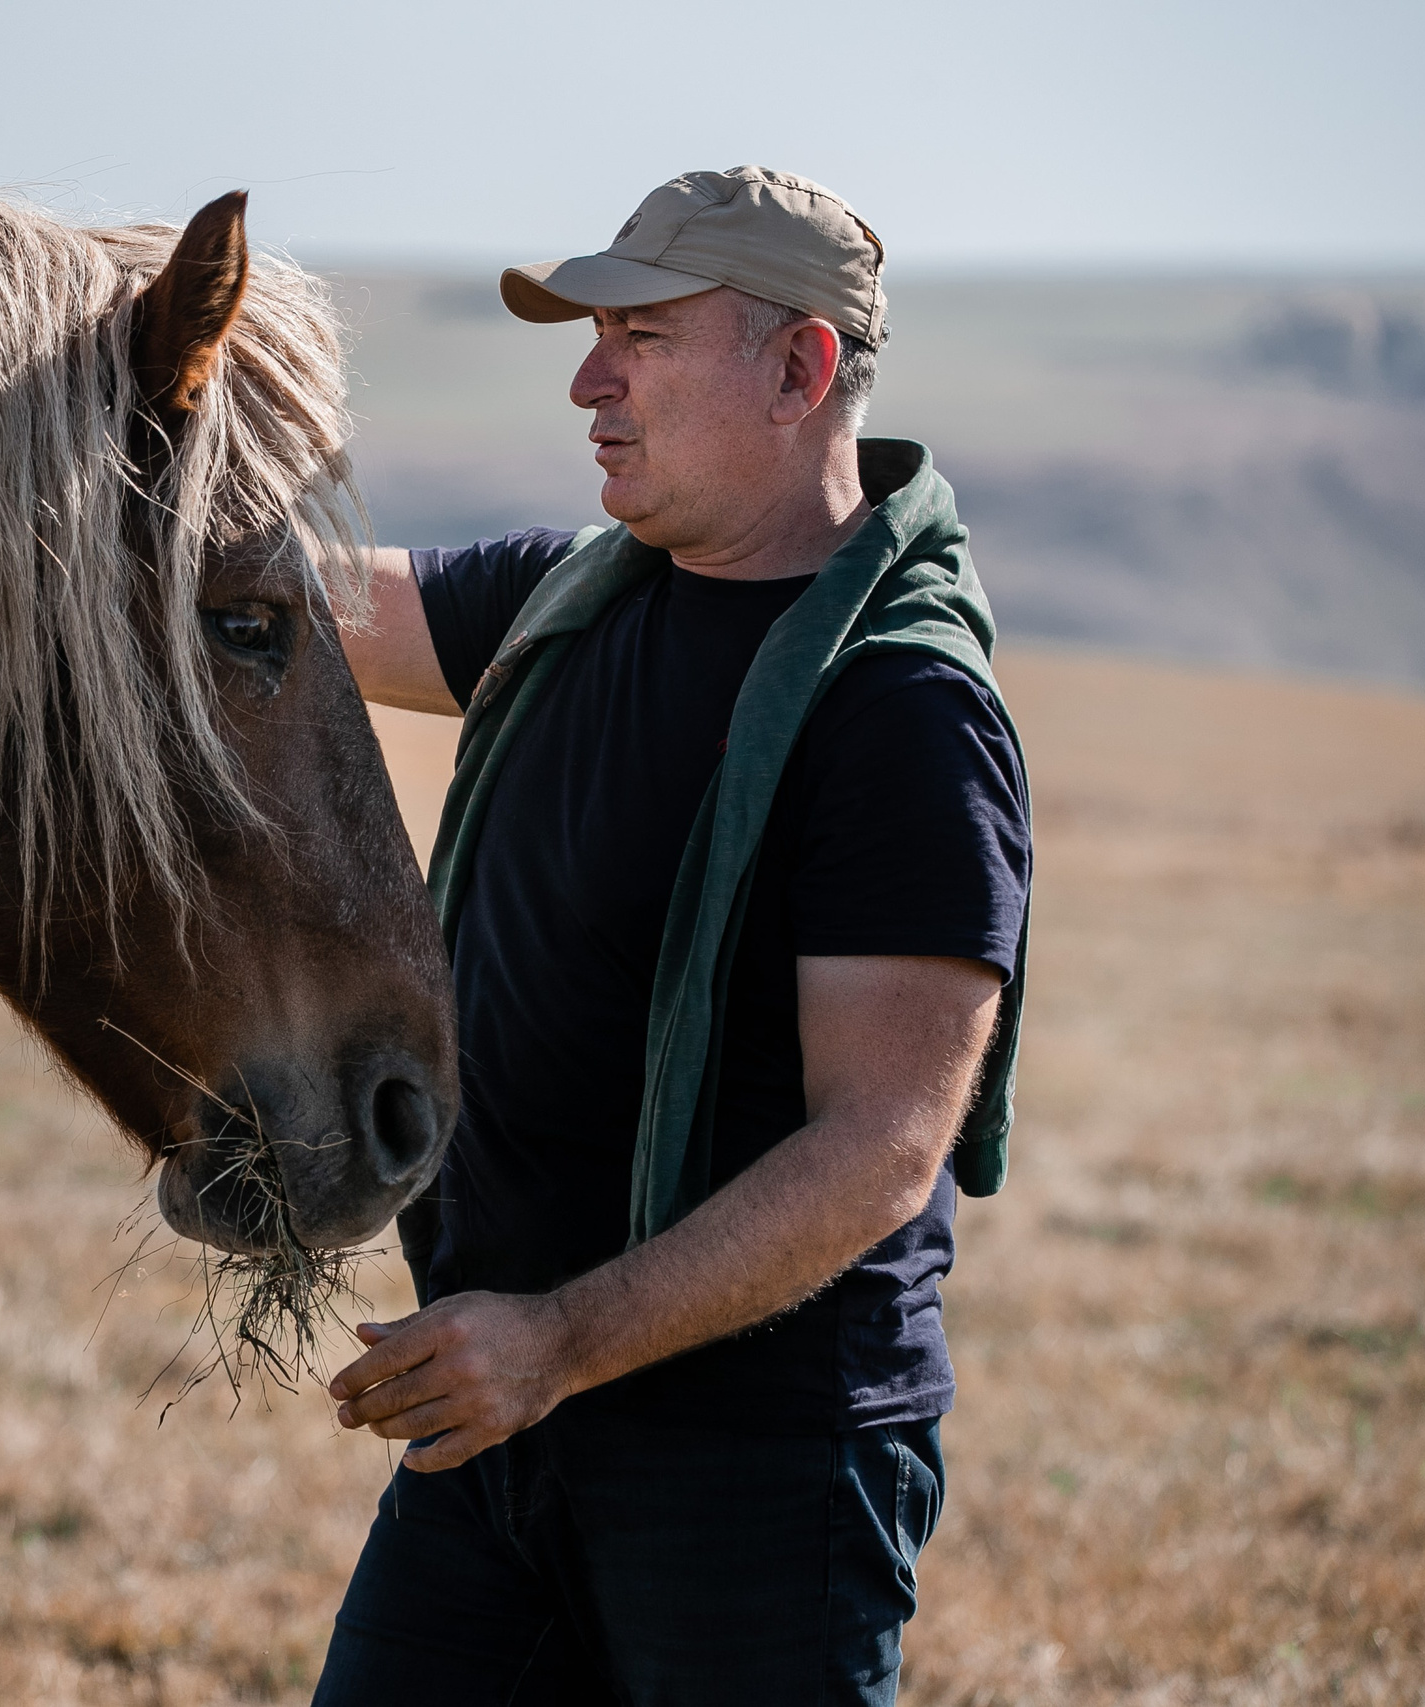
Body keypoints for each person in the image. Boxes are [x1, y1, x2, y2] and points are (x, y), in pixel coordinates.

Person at [313, 166, 1033, 1705]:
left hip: (754, 1471)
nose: (587, 378)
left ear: (799, 369)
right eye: (593, 334)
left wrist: (559, 1340)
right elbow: (281, 606)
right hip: (495, 1415)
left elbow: (884, 1144)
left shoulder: (900, 711)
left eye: (640, 332)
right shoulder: (563, 600)